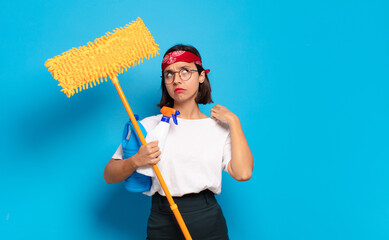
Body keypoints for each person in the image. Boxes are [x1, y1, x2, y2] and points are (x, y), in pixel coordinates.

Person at [103, 44, 254, 240]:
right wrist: (135, 161)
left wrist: (235, 122)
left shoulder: (218, 129)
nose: (176, 80)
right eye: (169, 74)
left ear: (201, 76)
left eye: (185, 71)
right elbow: (109, 175)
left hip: (207, 218)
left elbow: (243, 173)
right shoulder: (148, 127)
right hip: (162, 218)